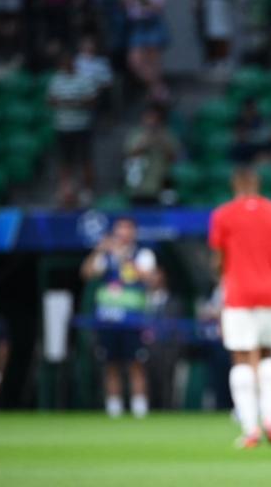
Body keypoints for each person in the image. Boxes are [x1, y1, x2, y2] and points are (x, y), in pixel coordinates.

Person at [209, 167, 271, 448]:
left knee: (242, 358)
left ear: (235, 185)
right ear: (257, 185)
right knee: (268, 354)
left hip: (238, 295)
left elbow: (218, 260)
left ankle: (250, 428)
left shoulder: (223, 214)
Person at [80, 218, 157, 418]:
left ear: (134, 233)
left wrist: (124, 258)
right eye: (120, 230)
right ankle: (114, 409)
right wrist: (98, 250)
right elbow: (87, 273)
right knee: (110, 365)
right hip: (108, 321)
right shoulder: (106, 255)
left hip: (133, 321)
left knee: (136, 365)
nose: (123, 234)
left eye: (127, 230)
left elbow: (149, 278)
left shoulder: (143, 254)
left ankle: (140, 408)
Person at [48, 50, 99, 207]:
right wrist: (66, 102)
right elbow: (50, 100)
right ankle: (65, 191)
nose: (66, 65)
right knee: (65, 162)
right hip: (63, 127)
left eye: (68, 61)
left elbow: (92, 100)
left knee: (85, 160)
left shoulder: (84, 79)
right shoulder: (56, 79)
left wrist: (73, 103)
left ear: (73, 62)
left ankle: (87, 191)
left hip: (81, 127)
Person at [123, 0, 170, 101]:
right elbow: (125, 2)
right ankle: (158, 89)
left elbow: (158, 7)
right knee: (135, 61)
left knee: (153, 61)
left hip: (151, 22)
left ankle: (156, 93)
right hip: (137, 23)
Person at [123, 104, 180, 205]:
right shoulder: (136, 134)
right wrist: (146, 141)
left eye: (154, 118)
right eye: (149, 117)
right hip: (139, 184)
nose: (151, 121)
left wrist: (160, 140)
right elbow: (130, 154)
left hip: (161, 183)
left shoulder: (166, 135)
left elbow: (174, 156)